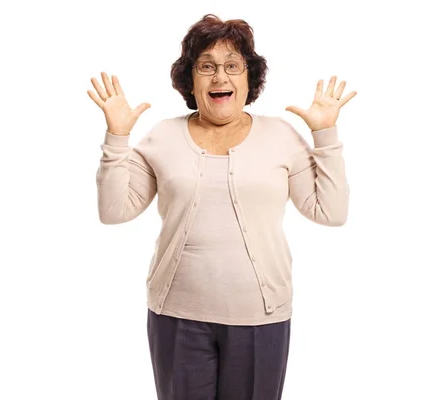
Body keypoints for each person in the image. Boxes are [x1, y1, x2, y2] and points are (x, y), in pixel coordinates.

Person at [88, 13, 356, 400]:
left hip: (260, 318)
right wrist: (117, 136)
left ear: (250, 77)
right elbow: (114, 211)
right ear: (189, 79)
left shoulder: (281, 136)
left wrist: (325, 136)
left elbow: (330, 213)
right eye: (207, 66)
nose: (220, 77)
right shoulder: (162, 136)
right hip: (176, 316)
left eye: (233, 66)